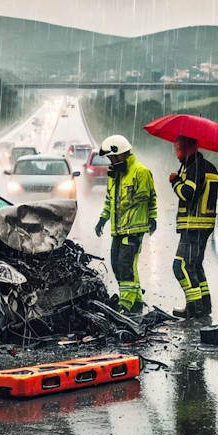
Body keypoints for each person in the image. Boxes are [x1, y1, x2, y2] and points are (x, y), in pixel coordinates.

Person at [94, 134, 157, 314]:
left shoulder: (141, 172)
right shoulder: (115, 176)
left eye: (112, 158)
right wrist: (102, 220)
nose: (111, 162)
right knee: (116, 264)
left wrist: (152, 218)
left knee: (125, 266)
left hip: (134, 229)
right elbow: (109, 201)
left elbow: (150, 198)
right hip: (118, 230)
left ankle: (126, 305)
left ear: (120, 154)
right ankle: (136, 301)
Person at [169, 135, 218, 318]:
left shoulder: (195, 167)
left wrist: (175, 182)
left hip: (194, 225)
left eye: (178, 150)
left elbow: (188, 193)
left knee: (180, 266)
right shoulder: (206, 167)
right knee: (195, 266)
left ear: (187, 147)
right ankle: (205, 305)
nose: (177, 155)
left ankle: (193, 307)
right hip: (203, 225)